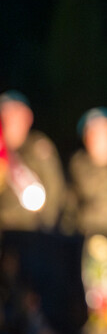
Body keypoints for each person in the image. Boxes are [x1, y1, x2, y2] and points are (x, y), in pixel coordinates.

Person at [0, 91, 66, 232]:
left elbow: (55, 189)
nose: (10, 121)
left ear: (27, 118)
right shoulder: (2, 153)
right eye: (5, 115)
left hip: (34, 231)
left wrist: (46, 228)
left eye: (15, 115)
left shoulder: (39, 147)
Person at [64, 107, 107, 240]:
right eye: (92, 133)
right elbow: (70, 202)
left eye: (104, 131)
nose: (98, 138)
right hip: (85, 231)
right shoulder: (77, 165)